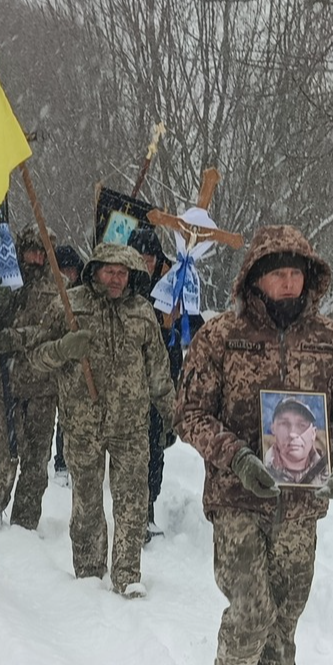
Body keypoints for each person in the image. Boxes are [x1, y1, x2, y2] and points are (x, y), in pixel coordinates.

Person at [176, 224, 333, 665]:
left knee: (284, 616)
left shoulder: (329, 342)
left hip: (300, 506)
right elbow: (188, 413)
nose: (289, 282)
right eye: (278, 273)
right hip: (238, 498)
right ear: (256, 278)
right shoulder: (221, 337)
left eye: (296, 273)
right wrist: (235, 457)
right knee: (253, 607)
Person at [28, 242, 175, 598]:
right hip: (83, 424)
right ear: (94, 270)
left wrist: (174, 415)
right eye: (109, 270)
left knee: (132, 502)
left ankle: (127, 574)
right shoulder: (70, 304)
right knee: (88, 501)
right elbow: (35, 358)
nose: (116, 278)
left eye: (123, 272)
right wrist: (63, 349)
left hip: (131, 426)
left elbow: (158, 372)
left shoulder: (141, 312)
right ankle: (90, 572)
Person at [0, 225, 60, 531]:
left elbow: (56, 331)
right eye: (32, 250)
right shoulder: (3, 280)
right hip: (7, 380)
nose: (38, 257)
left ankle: (26, 519)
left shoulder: (59, 286)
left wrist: (18, 337)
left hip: (44, 383)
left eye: (43, 252)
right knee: (8, 445)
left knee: (38, 455)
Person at [125, 226, 200, 541]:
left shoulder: (176, 283)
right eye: (140, 256)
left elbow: (195, 328)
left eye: (150, 256)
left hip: (163, 379)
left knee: (155, 444)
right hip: (127, 380)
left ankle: (148, 507)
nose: (145, 261)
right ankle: (131, 509)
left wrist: (183, 316)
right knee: (131, 446)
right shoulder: (121, 282)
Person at [50, 243, 85, 487]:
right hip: (64, 362)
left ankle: (77, 463)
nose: (67, 275)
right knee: (64, 416)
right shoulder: (57, 291)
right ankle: (61, 461)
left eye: (69, 270)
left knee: (82, 419)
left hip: (84, 362)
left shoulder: (84, 288)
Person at [263, 397, 329, 485]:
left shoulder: (328, 469)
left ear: (313, 433)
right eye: (284, 424)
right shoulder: (259, 466)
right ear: (273, 429)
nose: (292, 434)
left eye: (301, 425)